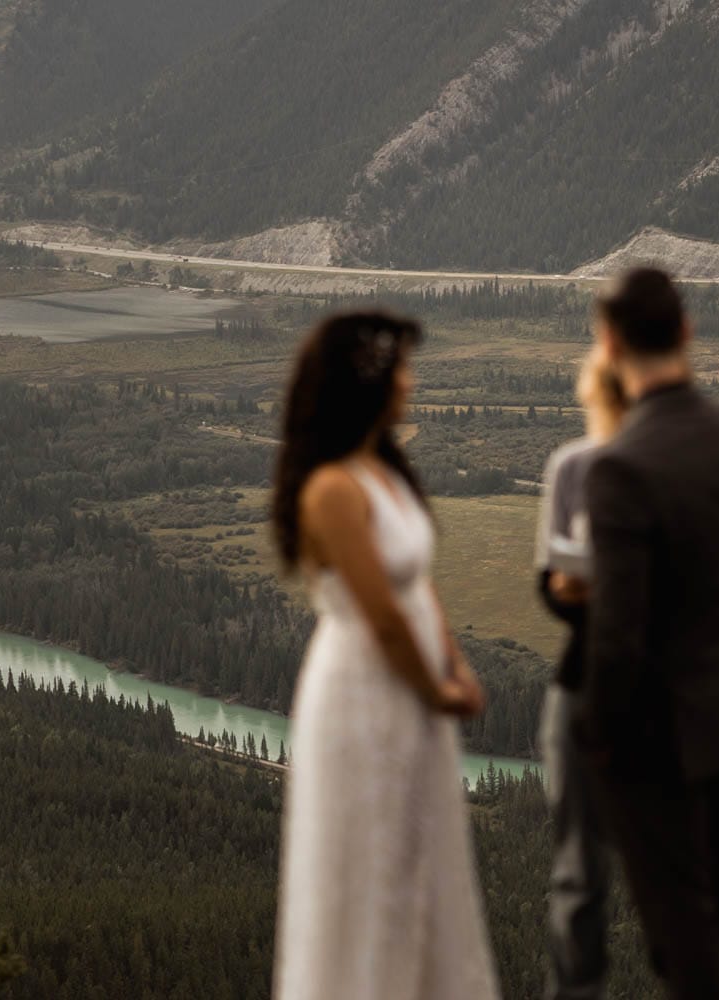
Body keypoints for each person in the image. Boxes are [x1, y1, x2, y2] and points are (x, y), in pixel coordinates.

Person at [270, 311, 500, 1000]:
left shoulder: (383, 471)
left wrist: (454, 667)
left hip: (412, 687)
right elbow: (383, 620)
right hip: (364, 693)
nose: (411, 380)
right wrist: (437, 692)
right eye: (399, 368)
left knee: (420, 854)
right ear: (365, 384)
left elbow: (418, 590)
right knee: (369, 862)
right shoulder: (333, 488)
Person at [580, 268, 719, 1000]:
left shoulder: (620, 468)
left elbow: (617, 635)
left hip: (650, 740)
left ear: (609, 343)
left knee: (681, 928)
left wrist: (599, 738)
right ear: (687, 330)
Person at [533, 348, 630, 1000]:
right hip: (584, 680)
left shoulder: (672, 471)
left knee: (669, 879)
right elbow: (549, 586)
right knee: (579, 875)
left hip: (654, 691)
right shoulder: (570, 466)